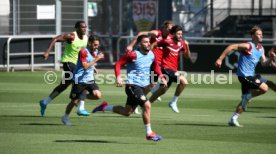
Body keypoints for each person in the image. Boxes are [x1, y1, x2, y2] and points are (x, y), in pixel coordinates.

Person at [92, 35, 167, 141]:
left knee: (127, 112)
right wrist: (118, 76)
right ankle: (149, 133)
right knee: (147, 105)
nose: (148, 43)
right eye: (145, 42)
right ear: (139, 44)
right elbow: (118, 64)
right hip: (132, 86)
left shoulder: (151, 54)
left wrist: (162, 77)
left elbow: (155, 66)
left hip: (143, 87)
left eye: (149, 42)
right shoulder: (133, 55)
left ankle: (104, 107)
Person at [215, 25, 276, 127]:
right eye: (258, 34)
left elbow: (264, 63)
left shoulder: (261, 49)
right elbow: (231, 47)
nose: (261, 36)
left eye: (261, 34)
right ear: (252, 36)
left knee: (246, 102)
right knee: (265, 88)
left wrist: (270, 58)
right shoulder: (248, 46)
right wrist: (220, 59)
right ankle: (248, 96)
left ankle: (233, 119)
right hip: (244, 76)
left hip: (251, 76)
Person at [39, 21, 91, 117]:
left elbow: (85, 53)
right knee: (83, 80)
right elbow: (55, 39)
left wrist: (91, 65)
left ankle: (44, 102)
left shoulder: (86, 38)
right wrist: (47, 51)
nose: (84, 29)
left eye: (85, 27)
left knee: (64, 85)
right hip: (68, 63)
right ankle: (80, 107)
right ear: (76, 28)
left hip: (78, 64)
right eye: (82, 27)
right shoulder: (71, 36)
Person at [127, 20, 174, 114]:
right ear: (164, 27)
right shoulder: (156, 33)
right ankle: (140, 101)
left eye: (171, 29)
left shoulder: (170, 38)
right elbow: (141, 33)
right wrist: (131, 45)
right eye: (168, 28)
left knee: (151, 85)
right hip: (149, 61)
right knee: (149, 84)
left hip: (158, 63)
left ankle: (138, 101)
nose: (170, 31)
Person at [62, 35, 104, 125]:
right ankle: (65, 117)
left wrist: (93, 67)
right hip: (79, 79)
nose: (97, 47)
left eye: (98, 45)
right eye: (95, 45)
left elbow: (90, 62)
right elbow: (85, 66)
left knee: (98, 95)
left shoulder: (95, 51)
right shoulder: (83, 51)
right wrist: (96, 59)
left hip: (89, 79)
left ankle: (82, 97)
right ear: (89, 43)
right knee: (73, 101)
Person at [149, 25, 191, 113]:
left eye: (181, 34)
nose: (180, 36)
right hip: (166, 68)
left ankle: (147, 104)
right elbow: (154, 45)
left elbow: (187, 56)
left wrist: (187, 46)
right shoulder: (167, 41)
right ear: (173, 34)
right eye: (178, 34)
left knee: (162, 90)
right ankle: (173, 102)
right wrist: (149, 55)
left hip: (173, 69)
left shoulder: (181, 43)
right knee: (183, 81)